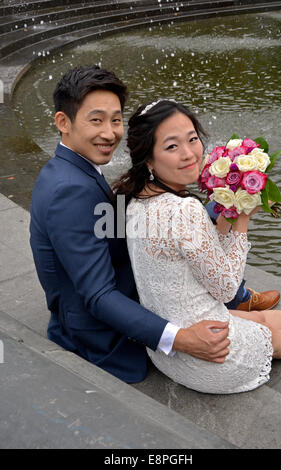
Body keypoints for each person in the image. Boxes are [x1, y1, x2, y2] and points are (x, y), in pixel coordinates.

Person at [30, 65, 232, 385]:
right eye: (96, 120)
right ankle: (242, 297)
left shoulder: (73, 169)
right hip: (99, 338)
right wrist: (180, 339)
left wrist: (209, 204)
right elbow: (97, 295)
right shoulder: (68, 191)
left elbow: (113, 224)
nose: (110, 133)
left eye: (115, 119)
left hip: (122, 289)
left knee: (190, 244)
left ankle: (241, 296)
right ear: (63, 122)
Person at [113, 98, 281, 393]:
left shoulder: (135, 201)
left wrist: (227, 208)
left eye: (192, 139)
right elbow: (225, 288)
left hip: (168, 352)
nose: (189, 154)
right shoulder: (184, 210)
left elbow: (206, 256)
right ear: (148, 158)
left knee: (259, 318)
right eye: (172, 146)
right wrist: (244, 217)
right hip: (216, 357)